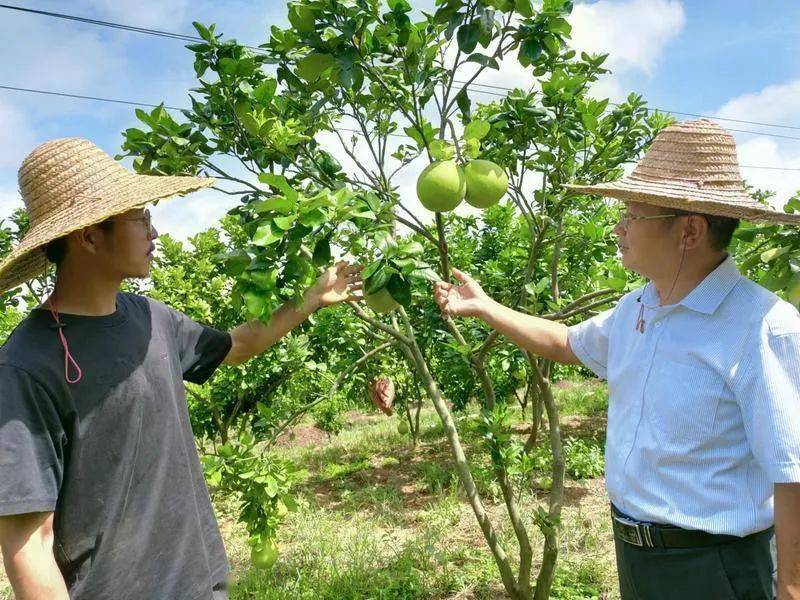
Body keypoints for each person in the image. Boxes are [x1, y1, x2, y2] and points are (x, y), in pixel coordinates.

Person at [434, 119, 800, 600]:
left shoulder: (762, 326)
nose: (618, 228)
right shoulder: (638, 307)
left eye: (632, 216)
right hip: (636, 555)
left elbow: (791, 469)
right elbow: (566, 343)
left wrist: (791, 588)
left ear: (689, 230)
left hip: (714, 567)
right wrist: (485, 308)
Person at [0, 138, 362, 600]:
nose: (155, 232)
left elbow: (238, 345)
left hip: (200, 583)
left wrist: (310, 299)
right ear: (90, 235)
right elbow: (28, 544)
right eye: (141, 218)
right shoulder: (26, 365)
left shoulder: (151, 317)